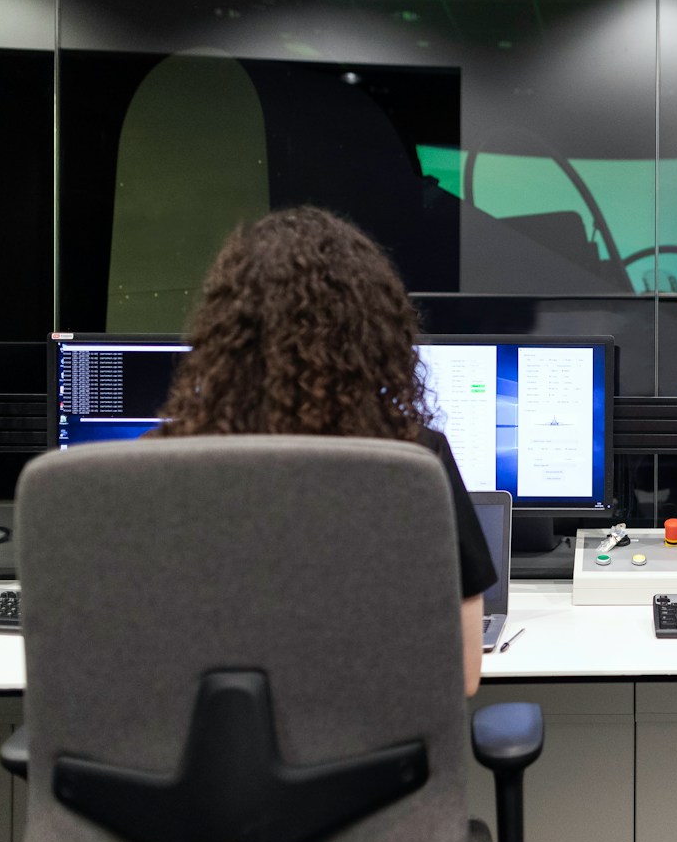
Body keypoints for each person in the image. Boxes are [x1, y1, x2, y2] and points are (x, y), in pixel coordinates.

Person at [153, 205, 496, 695]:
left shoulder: (152, 469)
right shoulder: (414, 464)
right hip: (368, 766)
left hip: (196, 765)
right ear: (372, 335)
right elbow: (461, 677)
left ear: (222, 332)